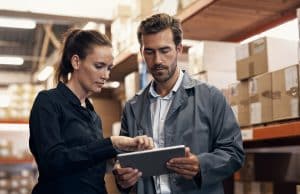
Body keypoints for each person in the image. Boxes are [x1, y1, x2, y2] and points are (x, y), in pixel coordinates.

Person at [113, 13, 245, 194]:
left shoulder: (210, 97)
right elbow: (124, 161)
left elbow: (234, 153)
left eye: (164, 50)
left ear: (179, 49)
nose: (157, 60)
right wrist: (123, 179)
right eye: (150, 52)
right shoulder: (132, 107)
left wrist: (201, 165)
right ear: (142, 53)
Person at [29, 29, 153, 194]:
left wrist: (121, 169)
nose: (106, 75)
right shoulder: (48, 102)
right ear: (76, 62)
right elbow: (53, 161)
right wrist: (111, 143)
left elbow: (90, 166)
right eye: (99, 66)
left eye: (109, 68)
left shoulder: (93, 115)